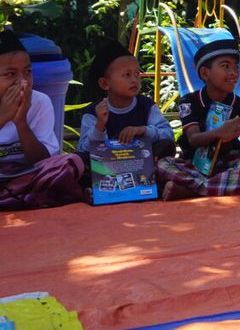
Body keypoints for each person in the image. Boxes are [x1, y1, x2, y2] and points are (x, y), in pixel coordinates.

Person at [155, 39, 240, 200]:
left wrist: (226, 139)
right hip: (192, 163)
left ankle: (193, 190)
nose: (234, 73)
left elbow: (227, 149)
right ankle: (213, 187)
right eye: (226, 66)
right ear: (205, 73)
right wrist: (220, 132)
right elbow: (193, 140)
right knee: (162, 164)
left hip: (226, 163)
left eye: (236, 67)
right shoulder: (189, 102)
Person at [0, 30, 85, 210]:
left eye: (28, 72)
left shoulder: (40, 102)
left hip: (23, 176)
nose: (23, 82)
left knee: (70, 163)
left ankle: (14, 197)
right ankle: (19, 198)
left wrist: (21, 122)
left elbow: (42, 161)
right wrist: (2, 118)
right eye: (10, 74)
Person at [78, 40, 175, 158]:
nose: (134, 80)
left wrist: (142, 130)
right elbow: (83, 149)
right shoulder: (94, 112)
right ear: (104, 83)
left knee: (166, 145)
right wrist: (99, 126)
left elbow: (168, 134)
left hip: (142, 165)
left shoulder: (146, 105)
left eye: (137, 74)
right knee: (81, 158)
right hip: (107, 169)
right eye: (127, 75)